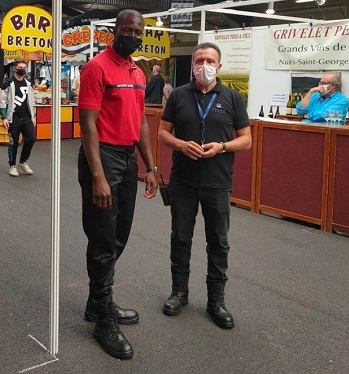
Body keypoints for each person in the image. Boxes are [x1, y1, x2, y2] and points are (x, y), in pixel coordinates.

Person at [78, 9, 158, 360]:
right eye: (127, 30)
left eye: (138, 31)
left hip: (127, 161)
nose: (133, 35)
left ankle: (98, 302)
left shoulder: (137, 72)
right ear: (115, 31)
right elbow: (89, 125)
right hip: (104, 158)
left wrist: (151, 166)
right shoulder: (97, 67)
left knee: (120, 235)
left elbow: (140, 121)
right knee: (102, 238)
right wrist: (97, 174)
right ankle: (103, 320)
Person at [158, 42, 252, 330]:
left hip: (218, 182)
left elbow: (246, 140)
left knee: (219, 244)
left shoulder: (233, 98)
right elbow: (163, 133)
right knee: (180, 239)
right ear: (193, 65)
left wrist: (222, 147)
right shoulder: (177, 96)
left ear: (219, 66)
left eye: (210, 60)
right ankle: (179, 293)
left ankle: (216, 301)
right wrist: (180, 144)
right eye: (199, 60)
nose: (204, 65)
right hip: (183, 181)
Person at [0, 59, 36, 177]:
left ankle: (22, 161)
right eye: (21, 67)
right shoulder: (8, 83)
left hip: (26, 117)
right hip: (13, 117)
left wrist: (33, 116)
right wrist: (4, 117)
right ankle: (12, 165)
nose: (23, 69)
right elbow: (2, 101)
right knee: (13, 142)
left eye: (24, 67)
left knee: (30, 139)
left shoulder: (28, 83)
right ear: (15, 68)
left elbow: (31, 100)